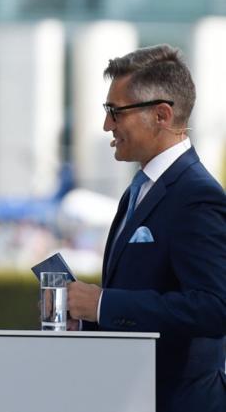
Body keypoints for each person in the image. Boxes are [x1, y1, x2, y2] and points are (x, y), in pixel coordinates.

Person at [67, 44, 226, 412]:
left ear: (162, 115)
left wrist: (103, 303)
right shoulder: (139, 191)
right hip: (134, 394)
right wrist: (86, 317)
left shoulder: (197, 196)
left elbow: (215, 307)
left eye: (115, 112)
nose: (107, 125)